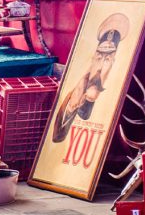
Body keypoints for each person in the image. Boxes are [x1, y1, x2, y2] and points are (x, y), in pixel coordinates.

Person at [52, 12, 131, 142]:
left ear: (113, 62)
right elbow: (57, 135)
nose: (100, 67)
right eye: (99, 57)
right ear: (93, 58)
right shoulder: (76, 87)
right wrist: (72, 106)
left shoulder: (113, 94)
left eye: (107, 60)